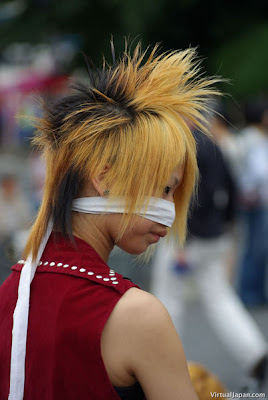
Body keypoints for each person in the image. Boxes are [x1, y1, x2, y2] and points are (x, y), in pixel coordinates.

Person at [0, 42, 219, 400]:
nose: (171, 211)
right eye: (164, 188)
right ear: (105, 178)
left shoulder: (9, 294)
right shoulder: (137, 314)